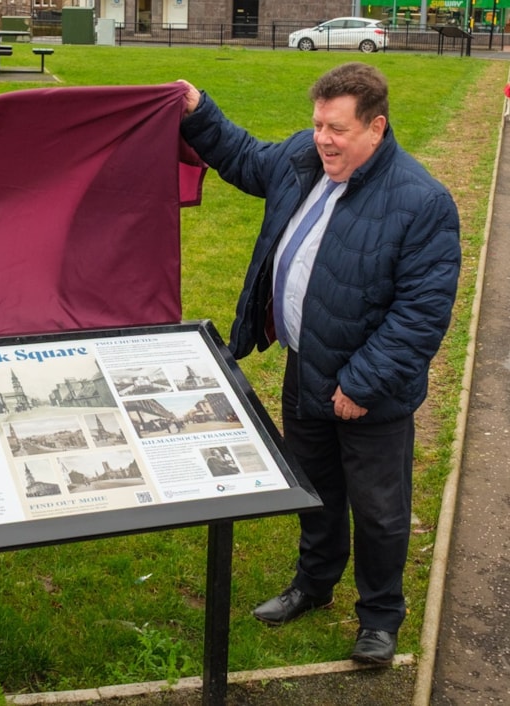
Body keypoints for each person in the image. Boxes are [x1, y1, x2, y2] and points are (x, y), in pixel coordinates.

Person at [178, 63, 460, 665]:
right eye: (317, 125)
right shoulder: (306, 160)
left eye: (336, 128)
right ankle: (313, 584)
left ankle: (380, 618)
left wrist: (360, 384)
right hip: (306, 369)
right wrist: (198, 112)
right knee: (317, 491)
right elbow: (246, 157)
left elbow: (421, 313)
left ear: (376, 127)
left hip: (370, 392)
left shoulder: (422, 201)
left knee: (380, 512)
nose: (323, 139)